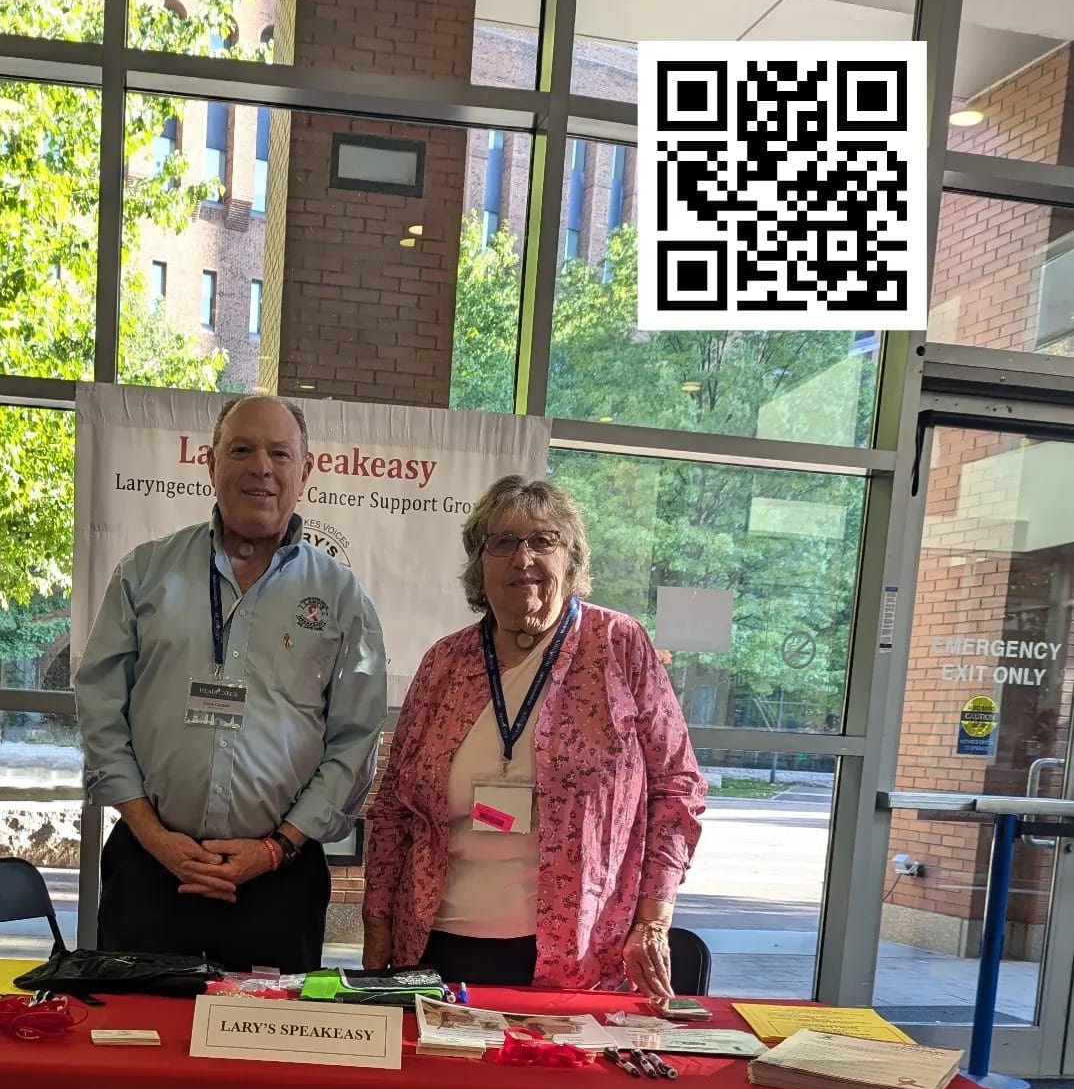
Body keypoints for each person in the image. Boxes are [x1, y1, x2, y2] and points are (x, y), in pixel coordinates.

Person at [75, 395, 387, 973]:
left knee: (264, 1055)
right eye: (241, 450)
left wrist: (274, 849)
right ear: (210, 462)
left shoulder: (342, 598)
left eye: (279, 453)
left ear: (306, 470)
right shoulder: (143, 574)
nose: (260, 468)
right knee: (133, 1041)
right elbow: (100, 710)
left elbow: (355, 738)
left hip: (278, 883)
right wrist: (152, 835)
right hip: (149, 870)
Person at [361, 475, 705, 995]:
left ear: (571, 558)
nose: (523, 560)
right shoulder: (445, 663)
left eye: (543, 540)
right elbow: (393, 807)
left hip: (580, 952)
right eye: (502, 543)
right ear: (479, 565)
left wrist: (654, 918)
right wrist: (379, 927)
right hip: (436, 945)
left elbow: (678, 788)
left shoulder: (617, 645)